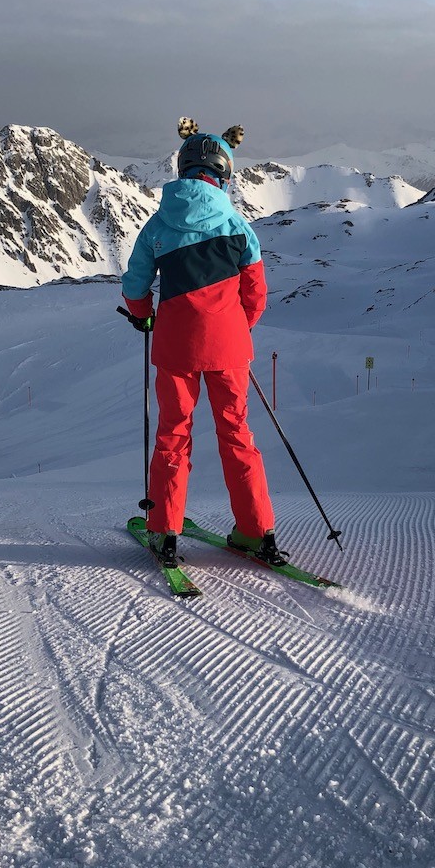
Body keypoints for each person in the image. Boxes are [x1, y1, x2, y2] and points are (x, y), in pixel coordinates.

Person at [121, 117, 287, 569]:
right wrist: (236, 329)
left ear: (182, 169)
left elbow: (135, 286)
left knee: (173, 437)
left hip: (176, 346)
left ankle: (165, 532)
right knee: (238, 435)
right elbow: (256, 295)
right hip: (230, 349)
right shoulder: (239, 225)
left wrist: (145, 318)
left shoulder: (158, 225)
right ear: (224, 173)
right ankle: (256, 531)